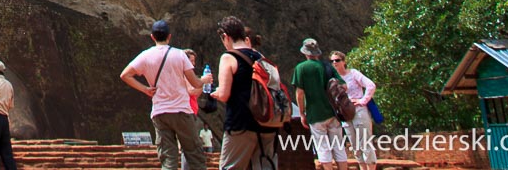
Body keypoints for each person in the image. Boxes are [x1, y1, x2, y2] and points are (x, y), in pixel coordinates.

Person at [120, 19, 206, 170]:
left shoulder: (145, 56)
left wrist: (145, 89)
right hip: (181, 111)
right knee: (194, 155)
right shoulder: (180, 55)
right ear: (169, 36)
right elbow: (195, 83)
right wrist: (203, 80)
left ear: (152, 37)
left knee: (168, 159)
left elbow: (125, 75)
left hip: (160, 112)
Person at [211, 16, 276, 170]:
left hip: (241, 123)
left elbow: (225, 94)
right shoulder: (261, 57)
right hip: (266, 122)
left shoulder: (229, 57)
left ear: (225, 37)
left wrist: (216, 93)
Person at [292, 38, 347, 170]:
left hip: (315, 114)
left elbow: (300, 93)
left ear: (305, 53)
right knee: (338, 146)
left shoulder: (301, 68)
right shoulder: (327, 66)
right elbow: (344, 86)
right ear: (317, 52)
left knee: (323, 148)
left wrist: (302, 113)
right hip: (333, 113)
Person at [331, 51, 377, 170]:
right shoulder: (334, 79)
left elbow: (371, 85)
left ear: (343, 62)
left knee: (365, 143)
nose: (334, 63)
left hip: (358, 111)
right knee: (355, 146)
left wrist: (363, 100)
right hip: (345, 114)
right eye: (332, 61)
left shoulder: (353, 73)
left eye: (337, 60)